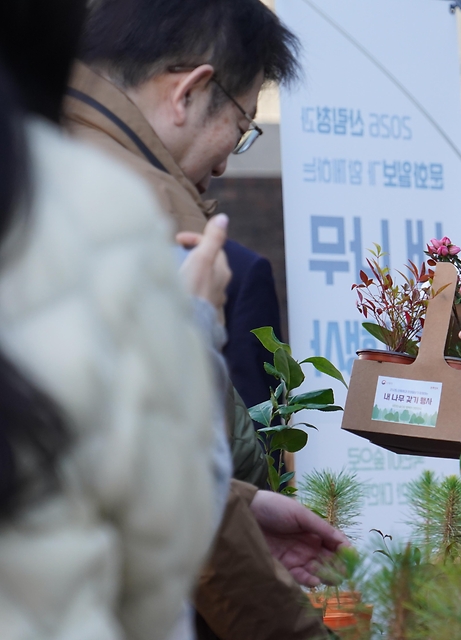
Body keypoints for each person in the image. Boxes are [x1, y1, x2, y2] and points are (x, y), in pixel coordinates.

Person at [64, 1, 346, 637]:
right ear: (188, 92)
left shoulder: (42, 162)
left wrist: (237, 500)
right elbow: (165, 481)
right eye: (242, 127)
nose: (223, 165)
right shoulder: (134, 216)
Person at [0, 1, 220, 636]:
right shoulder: (95, 209)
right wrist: (198, 325)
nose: (228, 161)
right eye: (243, 123)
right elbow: (159, 558)